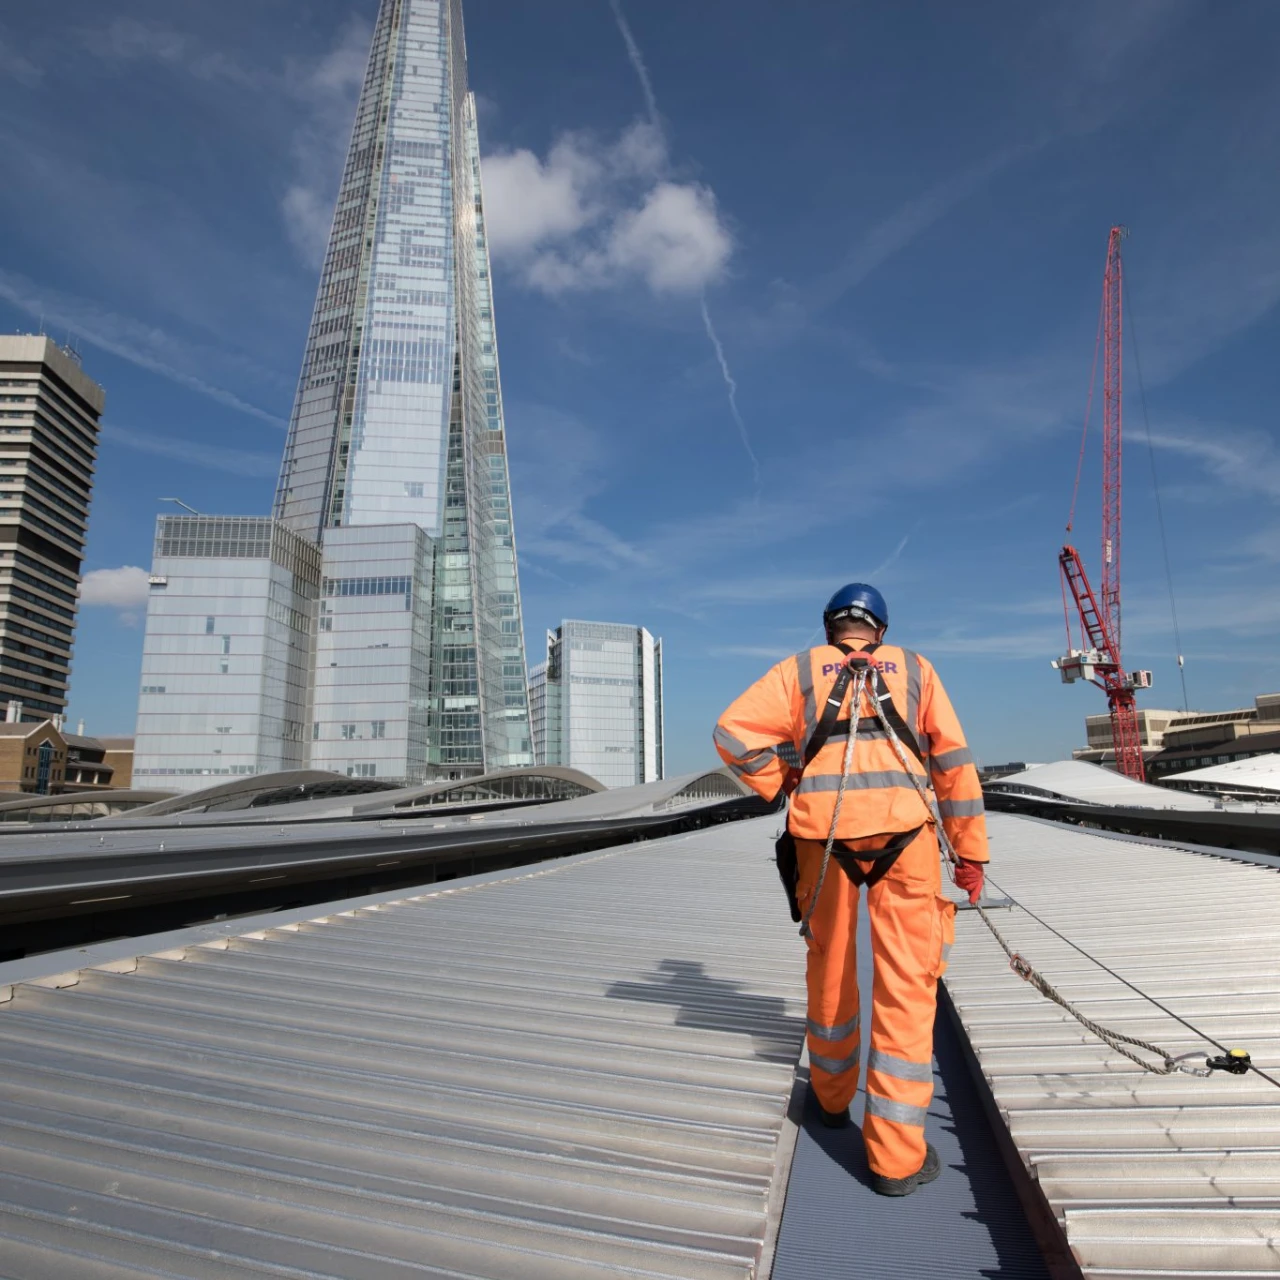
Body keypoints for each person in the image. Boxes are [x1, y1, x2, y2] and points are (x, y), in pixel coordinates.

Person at [714, 582, 989, 1197]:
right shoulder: (916, 669)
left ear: (829, 627)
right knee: (907, 986)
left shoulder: (797, 672)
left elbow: (731, 734)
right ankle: (895, 1160)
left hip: (824, 840)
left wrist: (782, 779)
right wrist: (970, 852)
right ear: (880, 631)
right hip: (906, 839)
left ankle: (832, 1101)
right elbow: (953, 764)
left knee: (831, 968)